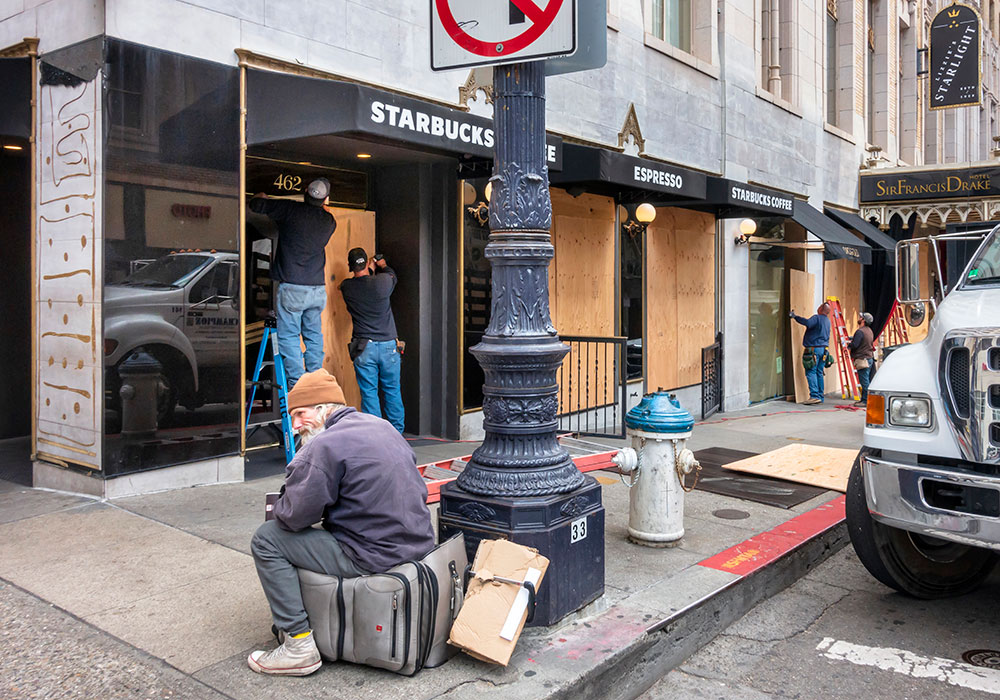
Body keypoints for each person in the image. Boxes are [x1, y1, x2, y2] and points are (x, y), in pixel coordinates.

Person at [247, 368, 435, 676]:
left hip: (373, 553)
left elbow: (293, 518)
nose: (295, 426)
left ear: (322, 409)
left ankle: (298, 646)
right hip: (416, 544)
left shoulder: (324, 446)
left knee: (267, 538)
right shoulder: (381, 425)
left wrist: (288, 492)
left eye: (301, 414)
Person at [249, 179, 337, 388]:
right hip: (316, 287)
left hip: (293, 287)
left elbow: (256, 205)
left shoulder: (289, 210)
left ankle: (298, 385)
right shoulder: (329, 221)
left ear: (305, 191)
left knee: (288, 336)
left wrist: (262, 198)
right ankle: (315, 378)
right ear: (326, 199)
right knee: (313, 334)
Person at [339, 248, 405, 433]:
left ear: (350, 267)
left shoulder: (347, 287)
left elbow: (342, 286)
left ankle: (375, 436)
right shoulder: (383, 281)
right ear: (367, 264)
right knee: (392, 391)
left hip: (364, 347)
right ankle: (396, 435)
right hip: (388, 346)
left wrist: (369, 269)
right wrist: (380, 265)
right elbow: (392, 275)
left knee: (369, 394)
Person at [790, 302, 832, 405]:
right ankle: (820, 396)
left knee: (811, 372)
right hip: (823, 350)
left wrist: (795, 317)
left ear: (821, 309)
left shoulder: (816, 318)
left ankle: (814, 396)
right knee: (819, 372)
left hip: (814, 349)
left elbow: (807, 323)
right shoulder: (827, 321)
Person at [850, 312, 875, 407]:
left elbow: (855, 344)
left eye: (861, 317)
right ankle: (864, 400)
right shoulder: (869, 331)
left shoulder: (860, 332)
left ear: (863, 320)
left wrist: (848, 344)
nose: (859, 318)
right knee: (866, 380)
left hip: (862, 359)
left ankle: (866, 401)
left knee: (864, 382)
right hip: (869, 358)